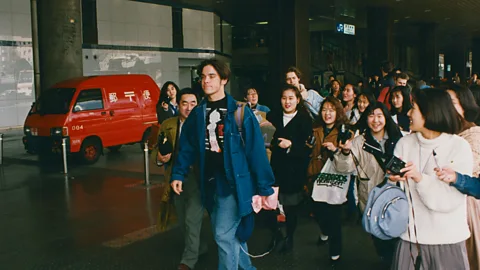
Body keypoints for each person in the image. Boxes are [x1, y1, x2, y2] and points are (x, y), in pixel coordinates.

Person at [171, 59, 275, 270]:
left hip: (233, 183)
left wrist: (265, 187)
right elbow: (188, 147)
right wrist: (178, 173)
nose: (205, 81)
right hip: (209, 183)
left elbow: (256, 152)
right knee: (230, 233)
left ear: (224, 80)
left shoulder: (239, 112)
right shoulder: (199, 113)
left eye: (211, 76)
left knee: (222, 234)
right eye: (203, 77)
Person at [388, 88, 473, 270]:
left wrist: (419, 178)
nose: (408, 113)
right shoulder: (404, 144)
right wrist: (394, 180)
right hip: (410, 238)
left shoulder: (459, 147)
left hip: (447, 239)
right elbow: (396, 193)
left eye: (413, 108)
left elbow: (448, 201)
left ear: (429, 112)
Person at [335, 102, 402, 267]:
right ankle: (386, 259)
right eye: (371, 115)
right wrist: (345, 152)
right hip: (372, 196)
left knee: (398, 237)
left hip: (396, 196)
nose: (375, 120)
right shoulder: (359, 142)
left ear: (386, 117)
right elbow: (345, 167)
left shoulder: (399, 139)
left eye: (379, 115)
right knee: (379, 236)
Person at [152, 88, 206, 270]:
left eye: (193, 103)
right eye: (185, 103)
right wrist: (160, 158)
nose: (189, 108)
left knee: (192, 218)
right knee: (182, 218)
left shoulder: (205, 125)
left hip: (198, 177)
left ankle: (188, 260)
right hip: (176, 177)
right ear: (178, 105)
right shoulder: (168, 125)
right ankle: (199, 247)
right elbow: (157, 150)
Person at [266, 84, 313, 252]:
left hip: (294, 171)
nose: (287, 102)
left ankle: (289, 237)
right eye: (284, 98)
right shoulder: (273, 117)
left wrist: (291, 145)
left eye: (291, 98)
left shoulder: (305, 120)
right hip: (275, 167)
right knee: (270, 205)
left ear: (298, 100)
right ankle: (276, 234)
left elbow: (308, 148)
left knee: (291, 207)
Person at [307, 97, 351, 264]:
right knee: (317, 211)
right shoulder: (315, 129)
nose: (327, 113)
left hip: (334, 180)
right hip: (315, 175)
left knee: (333, 216)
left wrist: (335, 150)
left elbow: (348, 158)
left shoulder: (345, 131)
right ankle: (324, 231)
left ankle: (335, 249)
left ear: (338, 112)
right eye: (324, 109)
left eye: (331, 110)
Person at [445, 84, 480, 270]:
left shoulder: (474, 136)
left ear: (465, 106)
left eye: (451, 103)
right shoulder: (449, 134)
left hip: (467, 210)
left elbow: (464, 173)